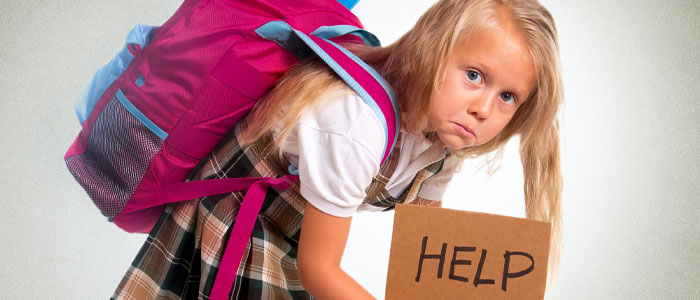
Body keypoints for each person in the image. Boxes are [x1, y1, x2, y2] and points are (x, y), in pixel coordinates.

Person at [111, 0, 563, 299]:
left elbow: (428, 255)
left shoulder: (443, 142)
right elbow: (320, 268)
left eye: (508, 97)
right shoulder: (355, 126)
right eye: (475, 76)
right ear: (432, 50)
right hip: (234, 225)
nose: (484, 108)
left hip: (288, 236)